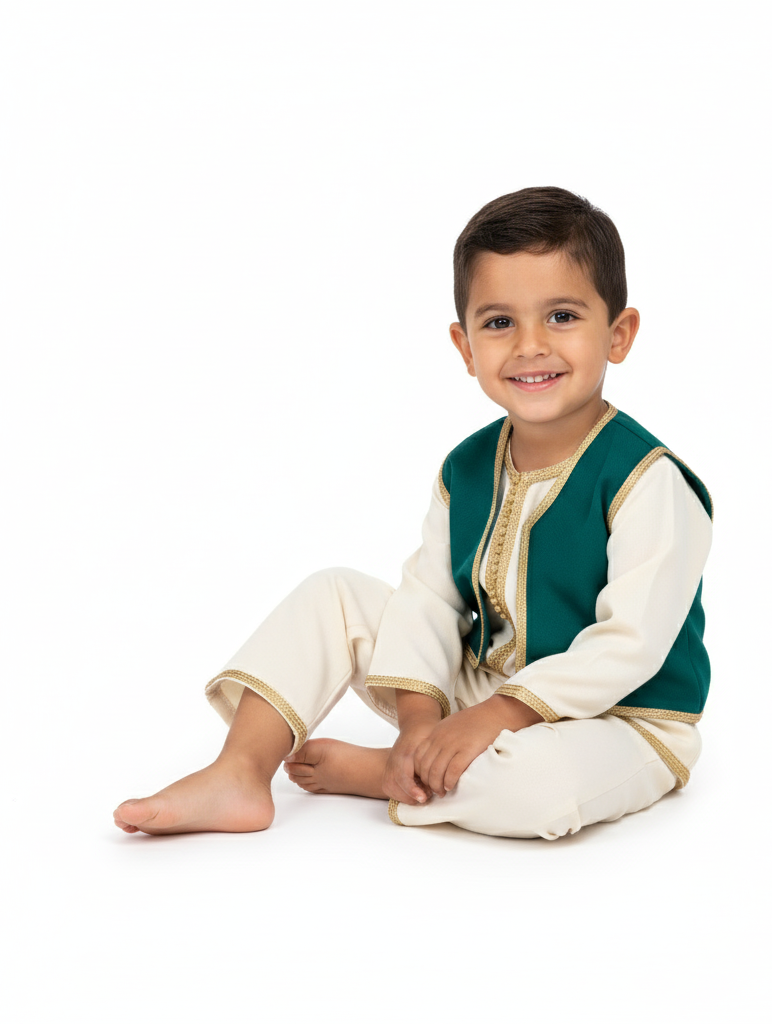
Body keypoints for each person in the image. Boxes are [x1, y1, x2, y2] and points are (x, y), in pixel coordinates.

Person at [113, 186, 714, 840]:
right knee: (334, 594)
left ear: (618, 335)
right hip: (491, 686)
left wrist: (497, 717)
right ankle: (240, 772)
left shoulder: (648, 482)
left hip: (623, 721)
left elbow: (631, 644)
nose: (530, 345)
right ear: (465, 347)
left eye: (562, 316)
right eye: (499, 323)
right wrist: (422, 722)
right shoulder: (467, 469)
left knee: (538, 789)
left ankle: (387, 776)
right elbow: (430, 600)